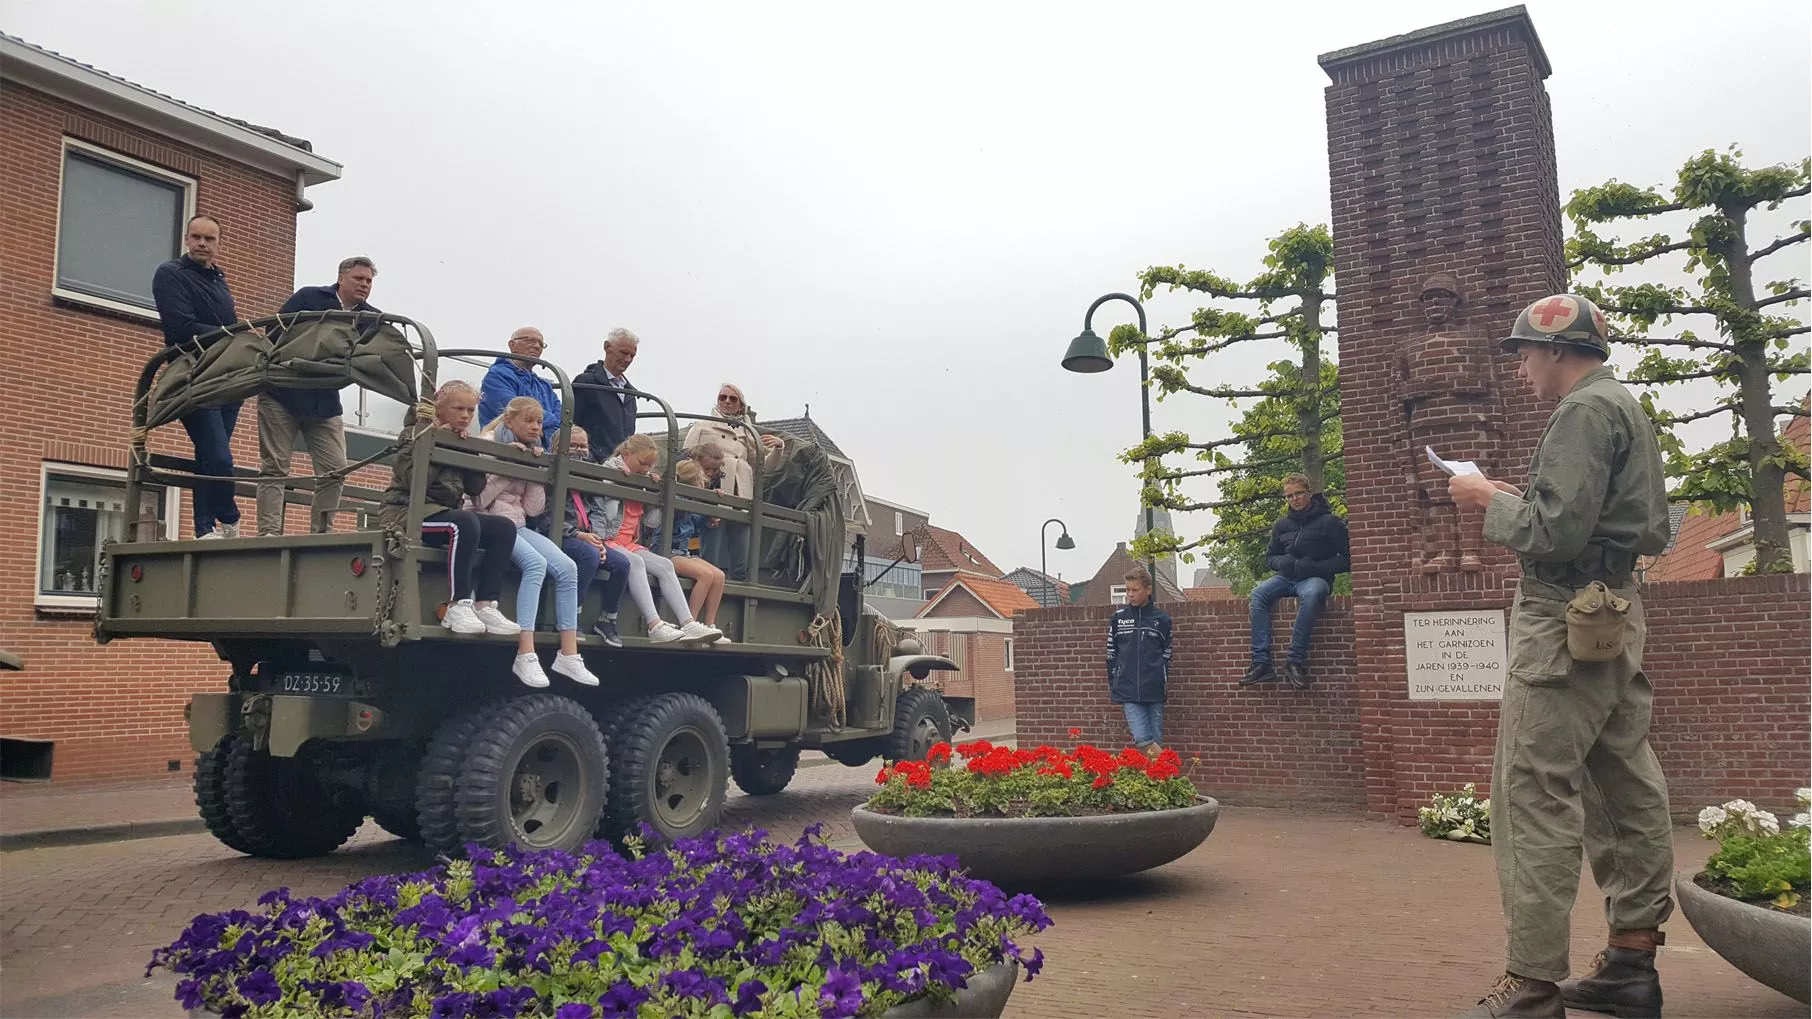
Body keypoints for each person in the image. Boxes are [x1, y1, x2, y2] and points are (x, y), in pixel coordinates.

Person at [1447, 293, 1672, 1019]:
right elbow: (1616, 521)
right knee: (1623, 776)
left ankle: (1531, 985)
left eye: (1525, 354)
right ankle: (1632, 963)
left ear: (1558, 350)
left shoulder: (1578, 412)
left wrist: (1486, 498)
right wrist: (1528, 498)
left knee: (1533, 790)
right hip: (1615, 609)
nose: (1521, 371)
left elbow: (1553, 536)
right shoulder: (1622, 405)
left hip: (1561, 613)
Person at [377, 381, 520, 637]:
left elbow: (475, 488)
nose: (466, 416)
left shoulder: (459, 437)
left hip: (441, 511)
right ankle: (458, 603)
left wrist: (467, 451)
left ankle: (486, 604)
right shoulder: (414, 433)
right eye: (459, 409)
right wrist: (439, 442)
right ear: (439, 409)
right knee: (463, 523)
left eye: (471, 411)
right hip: (405, 511)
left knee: (503, 528)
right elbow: (412, 479)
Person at [476, 398, 602, 689]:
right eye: (529, 421)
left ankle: (568, 654)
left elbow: (532, 509)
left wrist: (534, 469)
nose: (536, 427)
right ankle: (525, 652)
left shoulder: (532, 449)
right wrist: (510, 466)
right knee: (536, 565)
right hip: (493, 523)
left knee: (568, 568)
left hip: (518, 524)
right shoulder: (488, 443)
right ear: (510, 421)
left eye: (539, 422)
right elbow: (479, 500)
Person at [256, 256, 377, 536]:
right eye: (359, 278)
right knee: (275, 466)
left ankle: (320, 533)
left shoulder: (371, 318)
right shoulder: (309, 296)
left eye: (369, 281)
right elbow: (274, 331)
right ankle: (269, 532)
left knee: (335, 469)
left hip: (324, 401)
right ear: (342, 277)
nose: (365, 285)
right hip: (282, 393)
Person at [151, 214, 243, 539]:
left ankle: (205, 529)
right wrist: (232, 335)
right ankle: (230, 518)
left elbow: (227, 327)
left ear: (218, 244)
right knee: (219, 456)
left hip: (228, 380)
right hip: (193, 376)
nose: (202, 243)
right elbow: (180, 329)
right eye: (196, 237)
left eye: (209, 239)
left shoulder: (219, 280)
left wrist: (234, 338)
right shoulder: (170, 274)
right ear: (186, 239)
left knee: (208, 456)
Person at [588, 435, 724, 645]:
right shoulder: (610, 471)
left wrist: (653, 493)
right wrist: (618, 480)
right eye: (643, 463)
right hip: (608, 538)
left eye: (650, 465)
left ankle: (688, 624)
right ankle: (654, 624)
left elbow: (652, 522)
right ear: (626, 455)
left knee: (665, 565)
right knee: (637, 562)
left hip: (629, 542)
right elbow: (607, 513)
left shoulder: (642, 479)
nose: (646, 469)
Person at [1242, 475, 1350, 690]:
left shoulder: (1330, 522)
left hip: (1315, 578)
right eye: (1289, 496)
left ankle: (1295, 661)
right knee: (1258, 594)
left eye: (1298, 493)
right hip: (1286, 577)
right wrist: (1286, 561)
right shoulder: (1282, 525)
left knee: (1311, 596)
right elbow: (1270, 557)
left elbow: (1348, 559)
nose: (1294, 499)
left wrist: (1316, 567)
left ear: (1308, 492)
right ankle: (1261, 663)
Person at [682, 382, 784, 580]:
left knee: (741, 555)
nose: (727, 401)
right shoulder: (703, 425)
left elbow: (762, 467)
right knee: (711, 551)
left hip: (742, 496)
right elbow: (686, 458)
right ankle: (704, 587)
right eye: (723, 397)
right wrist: (701, 483)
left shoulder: (747, 432)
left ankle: (738, 595)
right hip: (715, 493)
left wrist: (779, 448)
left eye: (732, 398)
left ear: (741, 405)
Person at [558, 427, 633, 647]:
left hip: (587, 535)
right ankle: (573, 615)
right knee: (589, 556)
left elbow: (596, 509)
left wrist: (596, 537)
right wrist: (579, 534)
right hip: (562, 534)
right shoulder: (554, 471)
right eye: (572, 445)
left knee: (621, 563)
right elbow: (546, 517)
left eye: (583, 446)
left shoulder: (589, 475)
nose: (578, 450)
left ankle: (607, 619)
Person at [1106, 566, 1172, 756]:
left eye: (1135, 590)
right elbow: (1111, 653)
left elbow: (1167, 653)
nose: (1130, 594)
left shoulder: (1162, 619)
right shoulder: (1118, 619)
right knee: (1143, 740)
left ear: (1148, 590)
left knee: (1156, 741)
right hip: (1128, 690)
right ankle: (1171, 773)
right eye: (1127, 590)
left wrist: (1160, 676)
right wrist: (1115, 683)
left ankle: (1157, 783)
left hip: (1154, 689)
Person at [663, 459, 727, 635]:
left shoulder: (692, 503)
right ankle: (690, 622)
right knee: (705, 575)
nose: (703, 484)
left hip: (683, 552)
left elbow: (695, 524)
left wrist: (709, 514)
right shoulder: (674, 498)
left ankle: (709, 624)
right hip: (669, 552)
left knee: (719, 576)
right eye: (700, 481)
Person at [478, 327, 562, 451]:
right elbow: (514, 410)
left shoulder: (545, 387)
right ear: (512, 345)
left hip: (539, 456)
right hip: (502, 453)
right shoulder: (497, 375)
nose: (537, 346)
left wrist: (545, 430)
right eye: (530, 341)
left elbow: (562, 422)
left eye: (541, 344)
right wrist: (547, 424)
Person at [573, 328, 641, 461]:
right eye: (624, 353)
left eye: (632, 356)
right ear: (607, 347)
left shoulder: (630, 394)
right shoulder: (585, 383)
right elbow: (572, 422)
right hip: (590, 462)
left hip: (618, 465)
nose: (627, 359)